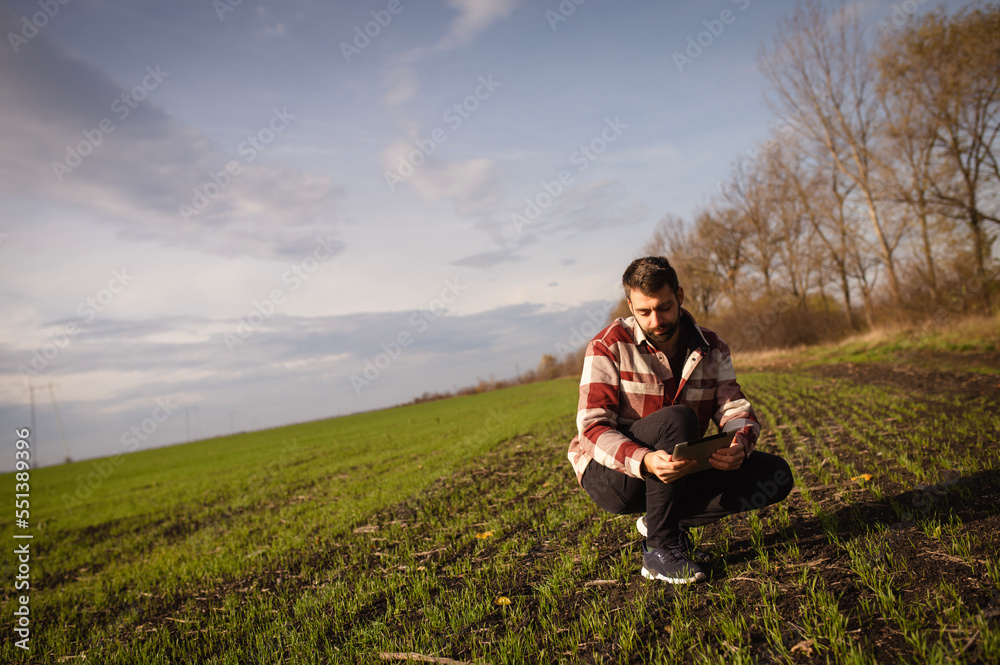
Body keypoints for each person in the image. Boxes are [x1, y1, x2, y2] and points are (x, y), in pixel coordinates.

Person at [567, 256, 793, 584]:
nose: (656, 320)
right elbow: (591, 427)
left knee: (775, 475)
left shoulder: (712, 348)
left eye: (664, 307)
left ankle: (662, 522)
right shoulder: (608, 346)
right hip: (614, 476)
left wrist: (739, 444)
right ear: (631, 306)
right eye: (644, 312)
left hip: (677, 469)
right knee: (678, 419)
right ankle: (659, 549)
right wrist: (643, 459)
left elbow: (734, 410)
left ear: (680, 297)